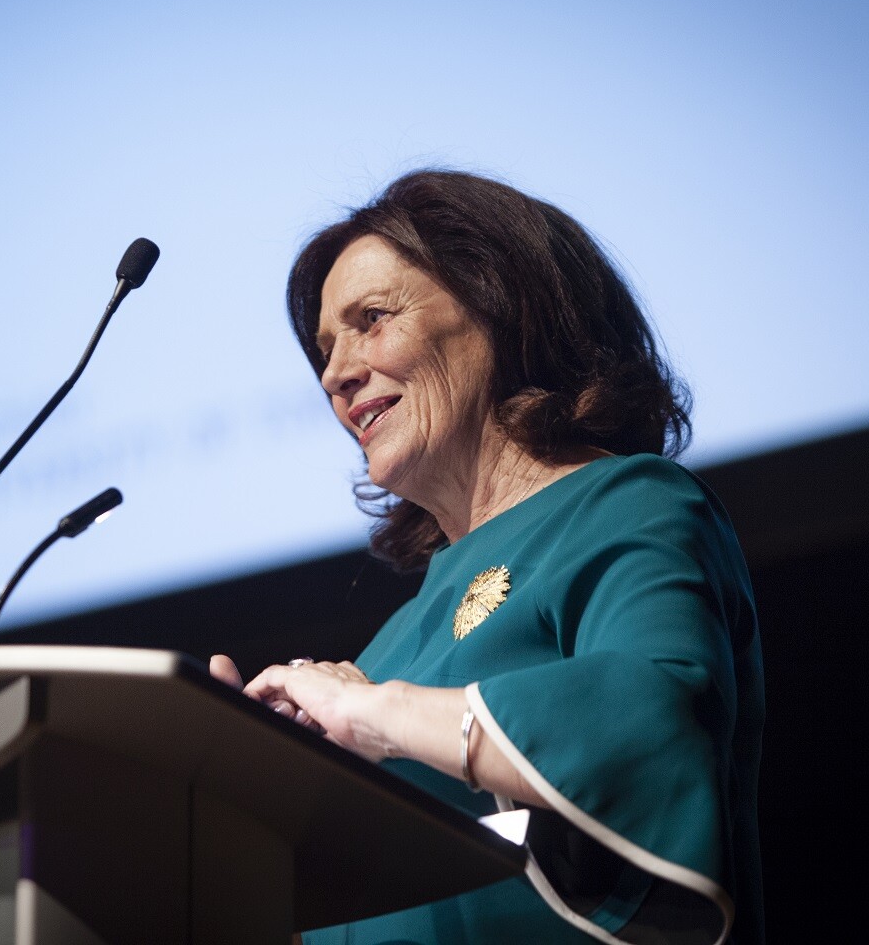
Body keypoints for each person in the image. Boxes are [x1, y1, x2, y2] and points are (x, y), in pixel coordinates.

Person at [209, 168, 765, 945]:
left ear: (501, 305)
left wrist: (376, 714)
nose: (335, 373)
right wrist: (251, 790)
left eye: (372, 319)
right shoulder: (391, 643)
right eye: (326, 349)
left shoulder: (627, 505)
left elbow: (650, 724)